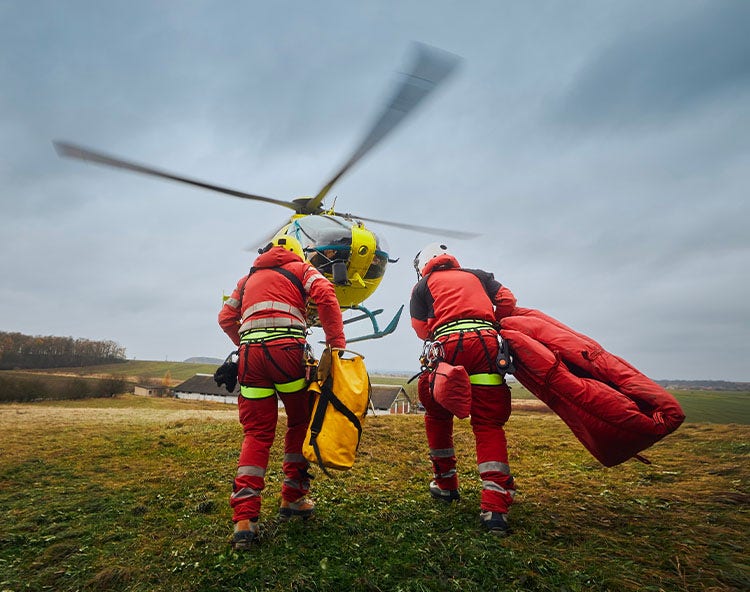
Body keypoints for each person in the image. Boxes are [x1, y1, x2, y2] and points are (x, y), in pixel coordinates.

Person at [218, 235, 346, 549]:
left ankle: (245, 521)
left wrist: (247, 344)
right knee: (299, 423)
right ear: (297, 253)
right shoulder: (301, 269)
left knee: (257, 434)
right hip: (288, 353)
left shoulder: (247, 278)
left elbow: (225, 318)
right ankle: (293, 497)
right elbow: (327, 295)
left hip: (250, 357)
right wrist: (336, 347)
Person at [409, 242, 517, 535]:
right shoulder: (480, 276)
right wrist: (491, 321)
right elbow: (507, 299)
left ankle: (446, 483)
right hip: (488, 346)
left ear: (424, 266)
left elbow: (421, 328)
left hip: (448, 347)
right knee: (488, 424)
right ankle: (495, 506)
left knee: (436, 412)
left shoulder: (422, 288)